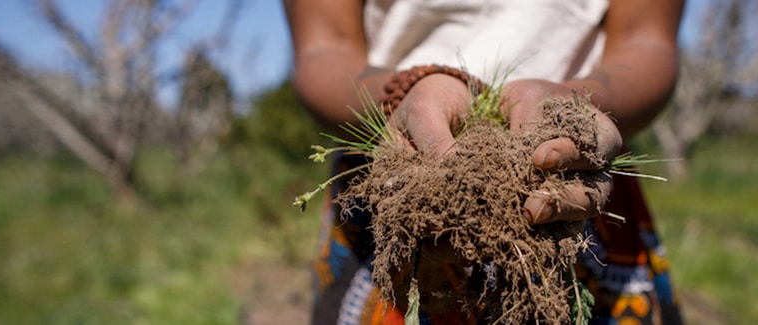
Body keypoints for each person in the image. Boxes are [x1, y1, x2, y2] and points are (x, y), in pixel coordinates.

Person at [283, 0, 684, 323]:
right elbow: (324, 47)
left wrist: (576, 112)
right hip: (393, 180)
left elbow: (647, 40)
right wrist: (403, 92)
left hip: (576, 178)